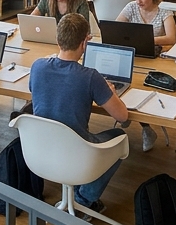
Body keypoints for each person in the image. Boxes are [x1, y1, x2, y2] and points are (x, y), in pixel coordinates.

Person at [29, 13, 130, 213]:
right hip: (78, 154)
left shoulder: (37, 66)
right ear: (85, 43)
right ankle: (84, 199)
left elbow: (37, 91)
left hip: (40, 151)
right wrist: (110, 93)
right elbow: (122, 117)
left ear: (58, 40)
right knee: (120, 137)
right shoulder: (91, 77)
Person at [115, 0, 176, 153]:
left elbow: (171, 38)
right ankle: (124, 111)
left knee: (141, 88)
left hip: (155, 59)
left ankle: (145, 128)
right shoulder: (131, 7)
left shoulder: (164, 12)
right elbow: (115, 28)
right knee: (121, 82)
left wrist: (146, 39)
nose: (138, 0)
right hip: (134, 56)